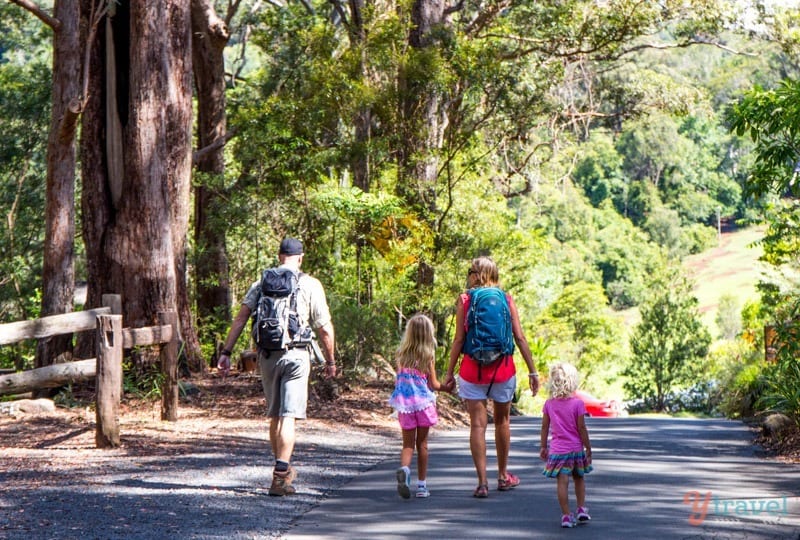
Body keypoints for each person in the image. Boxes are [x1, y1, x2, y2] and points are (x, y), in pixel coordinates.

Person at [217, 237, 336, 497]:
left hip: (267, 357)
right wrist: (330, 361)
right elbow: (324, 328)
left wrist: (226, 352)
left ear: (280, 256)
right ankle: (280, 476)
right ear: (300, 257)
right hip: (296, 356)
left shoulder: (261, 283)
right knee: (288, 415)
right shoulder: (310, 284)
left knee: (274, 415)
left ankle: (282, 470)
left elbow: (241, 318)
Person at [443, 256, 539, 498]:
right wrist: (532, 370)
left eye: (470, 271)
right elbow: (520, 337)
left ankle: (482, 482)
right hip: (503, 369)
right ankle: (503, 475)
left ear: (478, 274)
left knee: (477, 424)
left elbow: (458, 340)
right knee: (502, 421)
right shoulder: (506, 299)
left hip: (472, 371)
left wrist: (449, 373)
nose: (468, 275)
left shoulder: (465, 300)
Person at [388, 314, 444, 499]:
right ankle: (421, 486)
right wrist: (447, 387)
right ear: (429, 334)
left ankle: (404, 469)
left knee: (407, 445)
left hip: (405, 406)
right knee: (423, 445)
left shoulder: (401, 356)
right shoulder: (428, 357)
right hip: (424, 405)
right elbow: (434, 384)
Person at [539, 362, 593, 528]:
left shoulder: (549, 404)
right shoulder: (578, 404)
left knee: (562, 482)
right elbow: (581, 428)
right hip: (575, 449)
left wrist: (543, 446)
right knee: (579, 478)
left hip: (558, 451)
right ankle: (581, 508)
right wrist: (588, 447)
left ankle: (566, 515)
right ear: (572, 382)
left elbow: (545, 427)